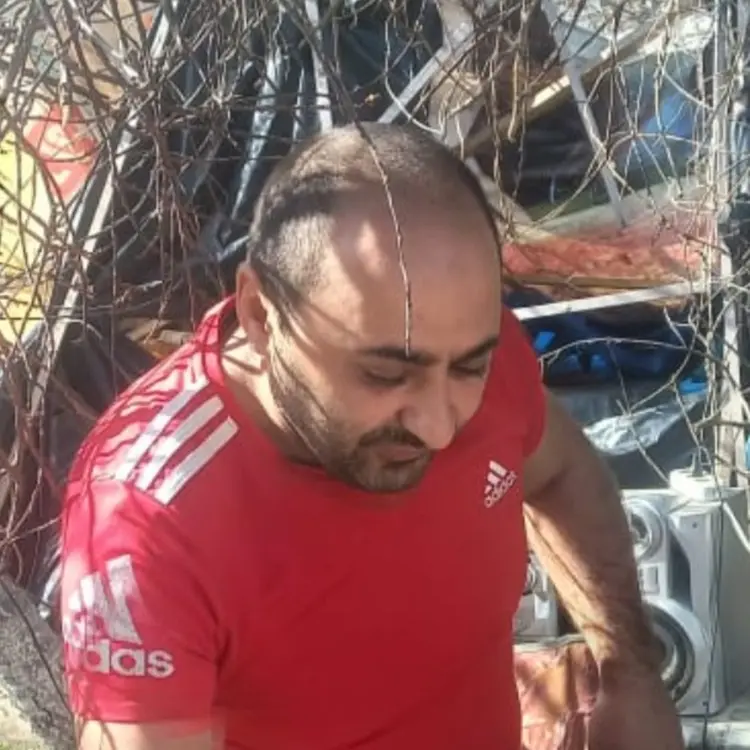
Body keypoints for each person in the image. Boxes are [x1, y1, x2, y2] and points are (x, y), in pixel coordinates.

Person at [60, 122, 684, 750]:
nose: (438, 427)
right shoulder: (148, 518)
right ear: (261, 317)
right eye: (386, 374)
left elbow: (562, 472)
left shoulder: (458, 346)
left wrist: (630, 674)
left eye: (469, 367)